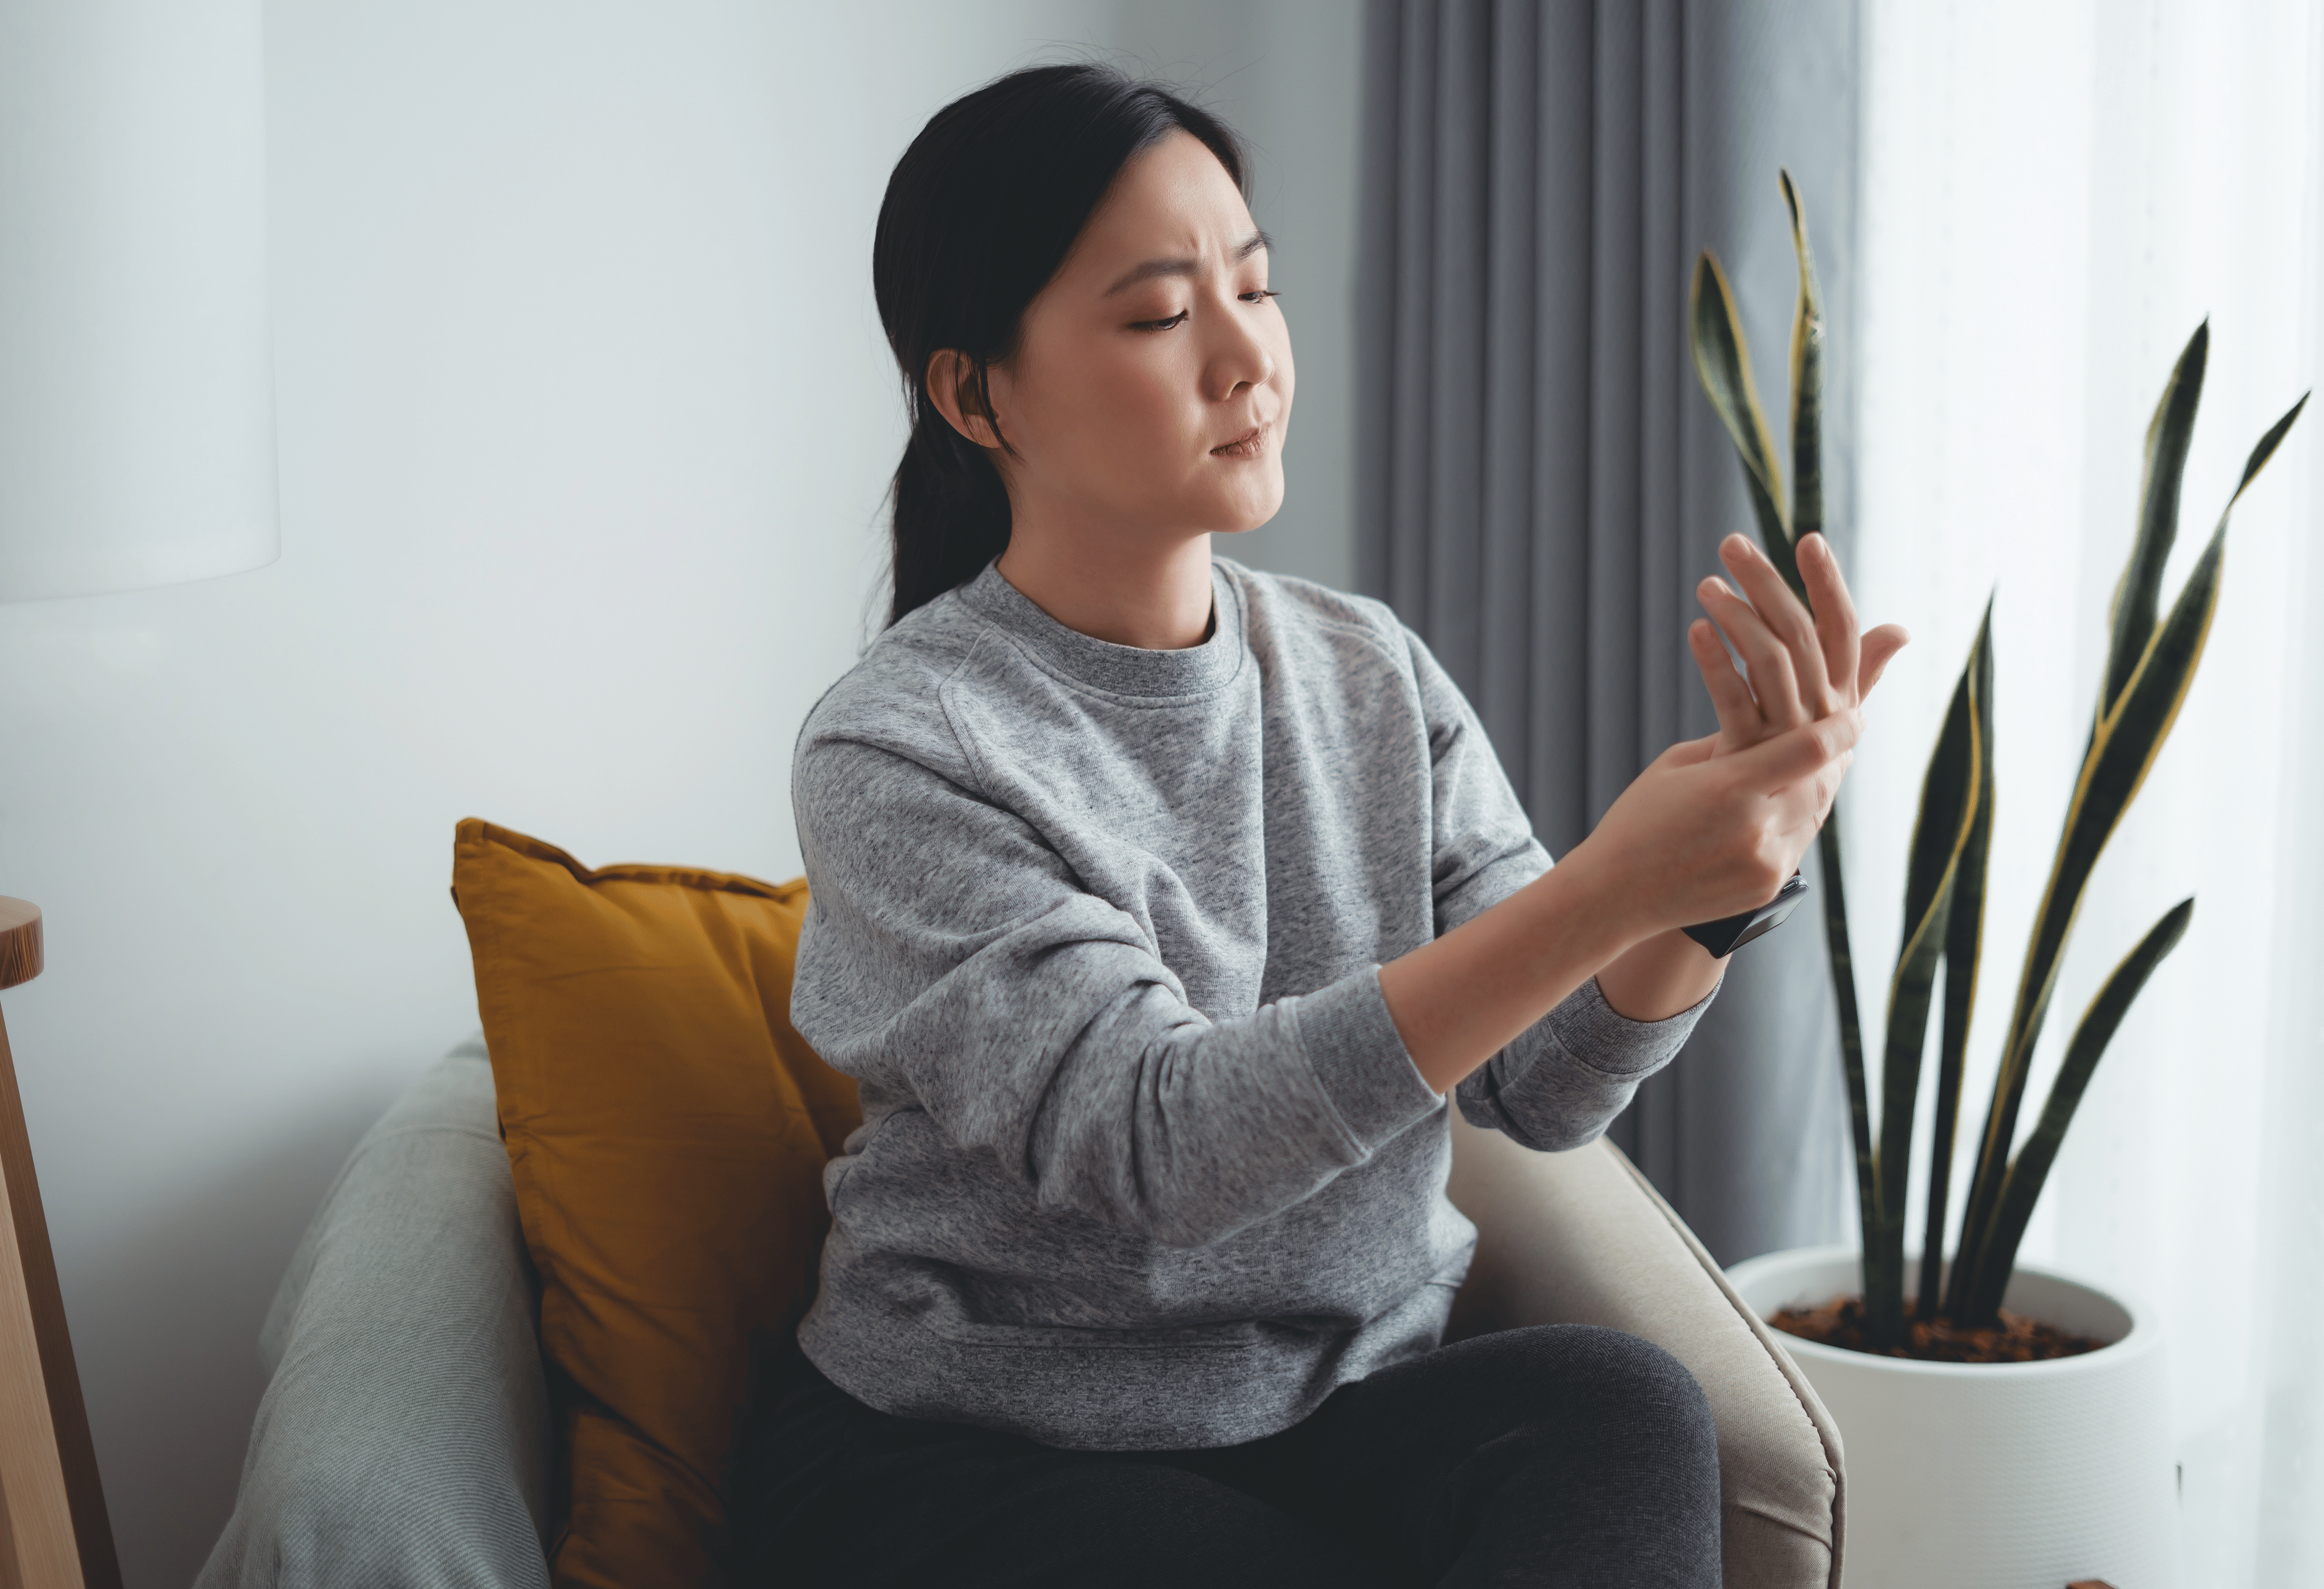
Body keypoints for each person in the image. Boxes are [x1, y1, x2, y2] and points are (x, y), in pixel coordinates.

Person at [733, 63, 1904, 1588]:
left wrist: (1706, 891)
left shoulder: (1364, 666)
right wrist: (1611, 882)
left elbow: (1544, 1086)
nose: (1247, 359)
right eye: (1160, 315)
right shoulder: (903, 742)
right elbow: (1160, 1143)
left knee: (1624, 1405)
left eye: (1256, 288)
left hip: (1335, 1411)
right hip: (982, 1455)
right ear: (974, 394)